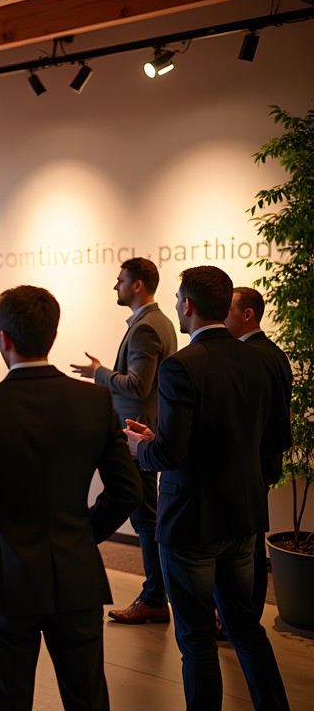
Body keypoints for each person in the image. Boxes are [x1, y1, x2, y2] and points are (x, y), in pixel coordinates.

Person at [0, 285, 140, 711]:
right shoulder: (94, 399)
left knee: (7, 700)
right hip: (77, 573)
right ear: (52, 335)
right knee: (87, 698)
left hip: (10, 577)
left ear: (4, 340)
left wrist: (3, 511)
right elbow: (127, 491)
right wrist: (84, 532)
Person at [126, 266, 291, 710]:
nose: (178, 305)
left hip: (191, 523)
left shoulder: (181, 366)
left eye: (180, 298)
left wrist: (141, 447)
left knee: (197, 639)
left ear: (189, 306)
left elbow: (170, 455)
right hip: (243, 515)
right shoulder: (263, 360)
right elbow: (278, 439)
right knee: (245, 628)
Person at [70, 257, 178, 625]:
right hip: (143, 432)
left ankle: (152, 597)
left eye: (119, 281)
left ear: (137, 286)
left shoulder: (147, 328)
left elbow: (137, 385)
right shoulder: (157, 322)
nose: (114, 287)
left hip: (136, 435)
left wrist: (99, 373)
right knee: (140, 512)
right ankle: (152, 596)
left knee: (142, 517)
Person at [223, 286, 293, 620]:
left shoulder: (253, 357)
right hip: (261, 464)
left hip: (251, 465)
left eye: (228, 310)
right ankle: (242, 615)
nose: (222, 317)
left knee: (245, 544)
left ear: (247, 314)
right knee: (247, 539)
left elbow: (267, 423)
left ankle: (242, 616)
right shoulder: (272, 353)